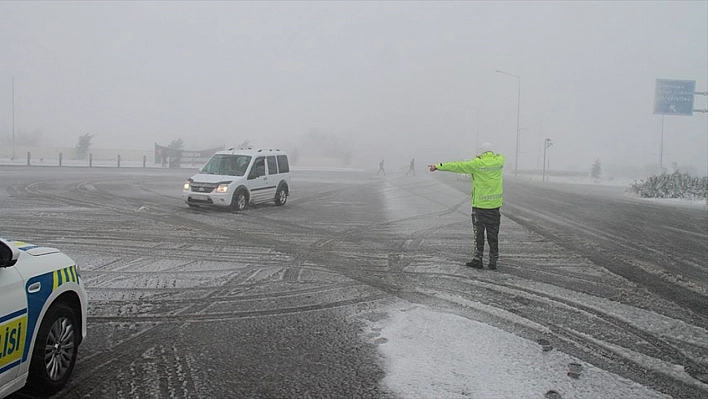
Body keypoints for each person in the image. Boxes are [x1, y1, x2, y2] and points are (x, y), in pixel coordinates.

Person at [428, 142, 504, 270]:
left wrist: (438, 166)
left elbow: (457, 166)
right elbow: (499, 156)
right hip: (495, 206)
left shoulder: (476, 164)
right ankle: (493, 261)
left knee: (478, 234)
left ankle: (478, 259)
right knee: (493, 235)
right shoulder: (499, 162)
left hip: (480, 206)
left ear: (480, 154)